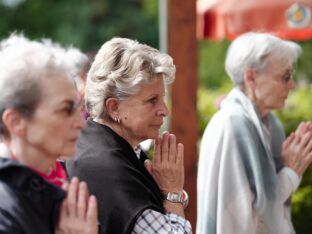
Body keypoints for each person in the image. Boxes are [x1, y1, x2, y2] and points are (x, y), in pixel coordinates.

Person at [66, 37, 192, 234]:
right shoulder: (108, 168)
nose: (164, 110)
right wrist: (172, 192)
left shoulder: (96, 140)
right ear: (114, 107)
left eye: (162, 98)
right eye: (152, 100)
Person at [196, 32, 312, 234]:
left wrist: (290, 170)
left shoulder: (268, 123)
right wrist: (291, 172)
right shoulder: (233, 125)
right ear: (251, 77)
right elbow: (242, 221)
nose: (292, 85)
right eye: (285, 77)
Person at [0, 34, 98, 234]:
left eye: (79, 108)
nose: (82, 123)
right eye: (66, 109)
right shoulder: (5, 212)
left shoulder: (58, 188)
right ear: (16, 121)